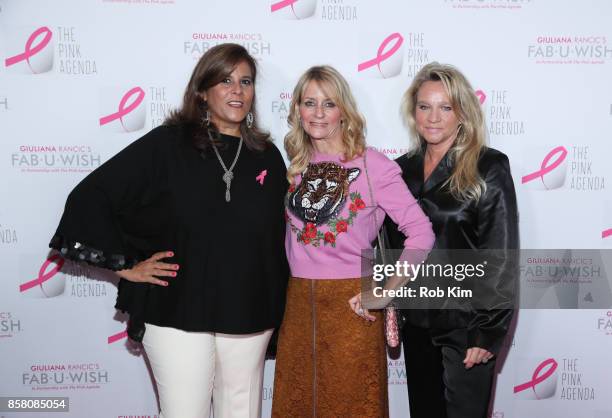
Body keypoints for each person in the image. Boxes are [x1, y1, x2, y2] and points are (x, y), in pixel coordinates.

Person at [49, 43, 289, 418]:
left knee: (242, 412)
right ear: (202, 91)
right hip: (176, 306)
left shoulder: (268, 156)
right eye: (225, 80)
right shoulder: (168, 145)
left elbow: (275, 239)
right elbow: (91, 197)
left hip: (248, 308)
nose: (237, 90)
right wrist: (126, 265)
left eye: (246, 81)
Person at [271, 65, 435, 417]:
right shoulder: (296, 166)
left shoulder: (372, 165)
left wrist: (387, 290)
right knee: (296, 404)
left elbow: (421, 232)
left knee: (353, 407)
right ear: (297, 109)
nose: (317, 113)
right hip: (298, 304)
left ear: (343, 110)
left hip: (352, 305)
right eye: (309, 102)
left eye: (328, 103)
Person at [386, 62, 519, 418]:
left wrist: (487, 331)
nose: (433, 117)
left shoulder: (487, 166)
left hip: (466, 326)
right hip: (417, 322)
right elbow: (389, 243)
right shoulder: (400, 169)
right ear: (413, 111)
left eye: (445, 107)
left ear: (462, 113)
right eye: (424, 106)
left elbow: (501, 252)